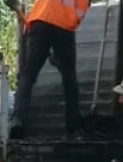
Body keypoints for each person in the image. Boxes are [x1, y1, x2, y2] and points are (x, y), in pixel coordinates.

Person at [5, 0, 89, 137]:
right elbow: (78, 13)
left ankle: (17, 119)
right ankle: (73, 127)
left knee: (29, 74)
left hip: (39, 21)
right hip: (63, 26)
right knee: (69, 78)